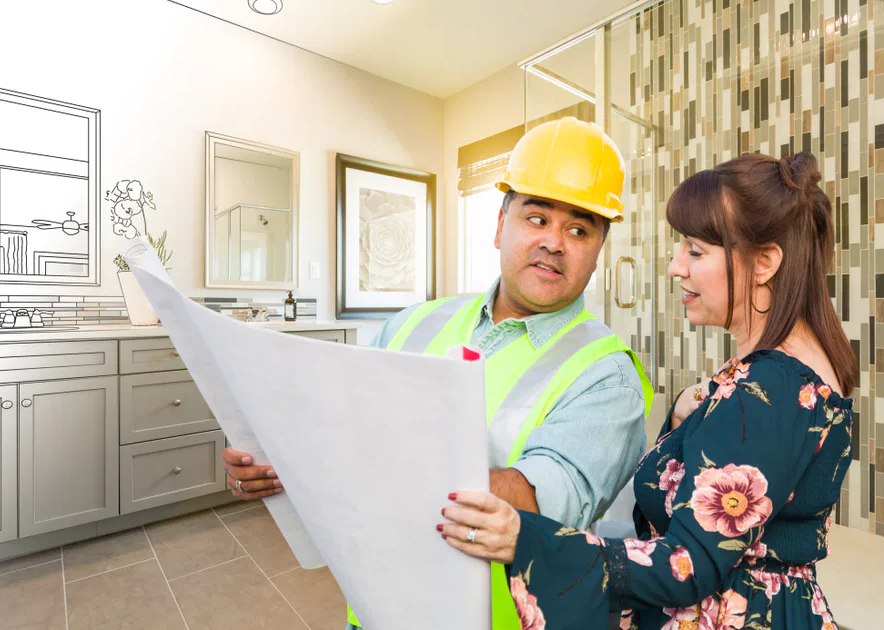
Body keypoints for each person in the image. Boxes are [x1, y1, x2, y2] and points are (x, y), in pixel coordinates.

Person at [223, 116, 654, 630]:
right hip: (374, 609)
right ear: (499, 226)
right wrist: (276, 465)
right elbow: (339, 429)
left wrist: (341, 465)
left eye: (579, 229)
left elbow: (543, 503)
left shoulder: (607, 374)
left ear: (598, 251)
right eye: (537, 217)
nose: (554, 242)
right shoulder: (413, 322)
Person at [440, 151, 857, 630]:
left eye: (695, 251)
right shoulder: (782, 374)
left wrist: (525, 536)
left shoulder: (772, 386)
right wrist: (687, 412)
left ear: (764, 262)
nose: (676, 267)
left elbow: (688, 567)